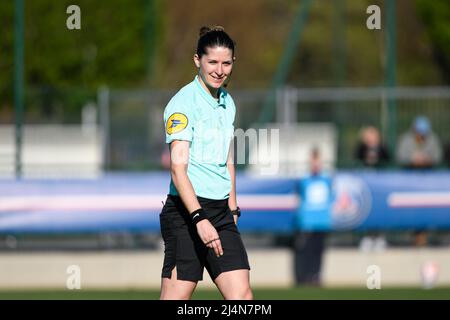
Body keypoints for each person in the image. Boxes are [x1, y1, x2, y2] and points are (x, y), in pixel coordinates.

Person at [159, 26, 252, 300]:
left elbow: (227, 157)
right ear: (197, 60)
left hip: (221, 214)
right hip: (187, 214)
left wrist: (232, 207)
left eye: (226, 63)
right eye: (212, 62)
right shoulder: (182, 104)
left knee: (242, 297)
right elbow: (178, 170)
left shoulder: (227, 101)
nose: (219, 70)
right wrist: (198, 218)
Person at [293, 147, 332, 286]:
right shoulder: (304, 180)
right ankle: (303, 278)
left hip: (322, 222)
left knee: (318, 252)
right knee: (306, 252)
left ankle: (316, 276)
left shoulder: (327, 179)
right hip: (307, 222)